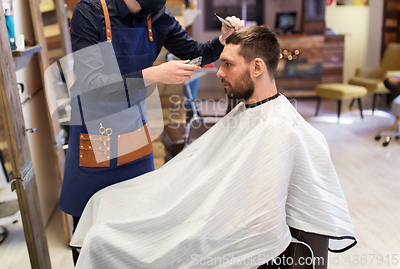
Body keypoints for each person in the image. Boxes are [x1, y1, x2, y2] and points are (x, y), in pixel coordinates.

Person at [69, 26, 356, 268]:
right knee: (102, 202)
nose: (219, 73)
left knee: (102, 238)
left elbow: (260, 225)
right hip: (195, 204)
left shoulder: (277, 127)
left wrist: (191, 220)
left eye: (228, 64)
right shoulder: (251, 110)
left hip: (211, 223)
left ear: (257, 67)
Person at [58, 0, 244, 264]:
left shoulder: (155, 16)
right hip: (95, 137)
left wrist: (222, 40)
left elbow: (194, 53)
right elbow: (93, 87)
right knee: (89, 234)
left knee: (137, 225)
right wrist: (154, 74)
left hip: (134, 135)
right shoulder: (91, 12)